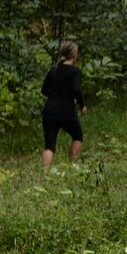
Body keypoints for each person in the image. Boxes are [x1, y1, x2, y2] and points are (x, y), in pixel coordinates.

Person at [39, 40, 84, 168]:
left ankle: (44, 173)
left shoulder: (54, 69)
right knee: (77, 136)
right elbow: (76, 89)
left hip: (49, 111)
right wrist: (82, 106)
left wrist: (54, 97)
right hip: (67, 111)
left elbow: (43, 90)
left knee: (49, 145)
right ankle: (71, 165)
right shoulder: (75, 71)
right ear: (74, 55)